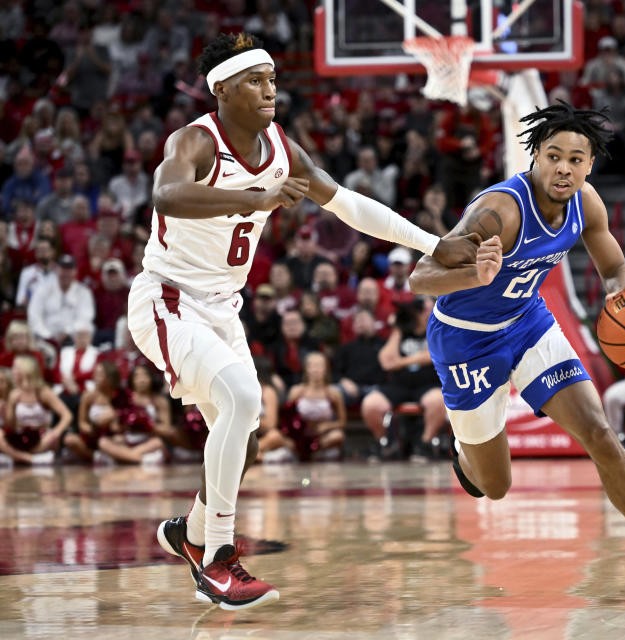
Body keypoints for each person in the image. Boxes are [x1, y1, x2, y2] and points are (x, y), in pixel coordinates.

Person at [134, 33, 477, 610]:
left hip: (223, 307)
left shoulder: (281, 147)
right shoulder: (195, 139)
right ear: (222, 89)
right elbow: (166, 195)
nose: (270, 90)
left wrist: (432, 242)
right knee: (244, 399)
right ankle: (217, 559)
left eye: (271, 79)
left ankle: (192, 532)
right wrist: (256, 199)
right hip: (169, 299)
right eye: (255, 81)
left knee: (241, 433)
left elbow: (349, 204)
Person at [408, 103, 625, 601]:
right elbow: (420, 276)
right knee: (495, 486)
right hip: (465, 338)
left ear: (589, 165)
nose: (563, 168)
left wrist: (620, 292)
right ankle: (465, 454)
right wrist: (472, 274)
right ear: (535, 157)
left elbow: (615, 267)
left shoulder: (586, 203)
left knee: (600, 433)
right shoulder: (499, 212)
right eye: (553, 156)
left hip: (527, 324)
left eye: (575, 158)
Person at [360, 297, 445, 461]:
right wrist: (398, 329)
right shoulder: (402, 330)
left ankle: (424, 445)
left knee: (438, 401)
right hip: (400, 384)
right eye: (419, 309)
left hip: (428, 383)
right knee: (370, 404)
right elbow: (386, 362)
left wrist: (401, 362)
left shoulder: (439, 329)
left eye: (426, 308)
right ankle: (385, 443)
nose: (423, 313)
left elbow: (435, 355)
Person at [0, 355, 72, 466]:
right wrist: (9, 409)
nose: (12, 371)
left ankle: (15, 457)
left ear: (25, 370)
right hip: (19, 435)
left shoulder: (43, 392)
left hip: (41, 436)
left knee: (52, 438)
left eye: (15, 367)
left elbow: (67, 415)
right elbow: (10, 426)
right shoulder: (14, 394)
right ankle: (30, 459)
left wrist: (56, 432)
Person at [283, 352, 346, 460]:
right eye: (312, 366)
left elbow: (342, 422)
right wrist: (297, 427)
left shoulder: (333, 393)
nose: (315, 369)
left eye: (319, 366)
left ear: (326, 369)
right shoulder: (297, 391)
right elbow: (286, 417)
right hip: (299, 436)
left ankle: (312, 451)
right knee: (277, 437)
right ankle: (302, 451)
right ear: (306, 369)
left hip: (322, 437)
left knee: (338, 436)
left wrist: (327, 426)